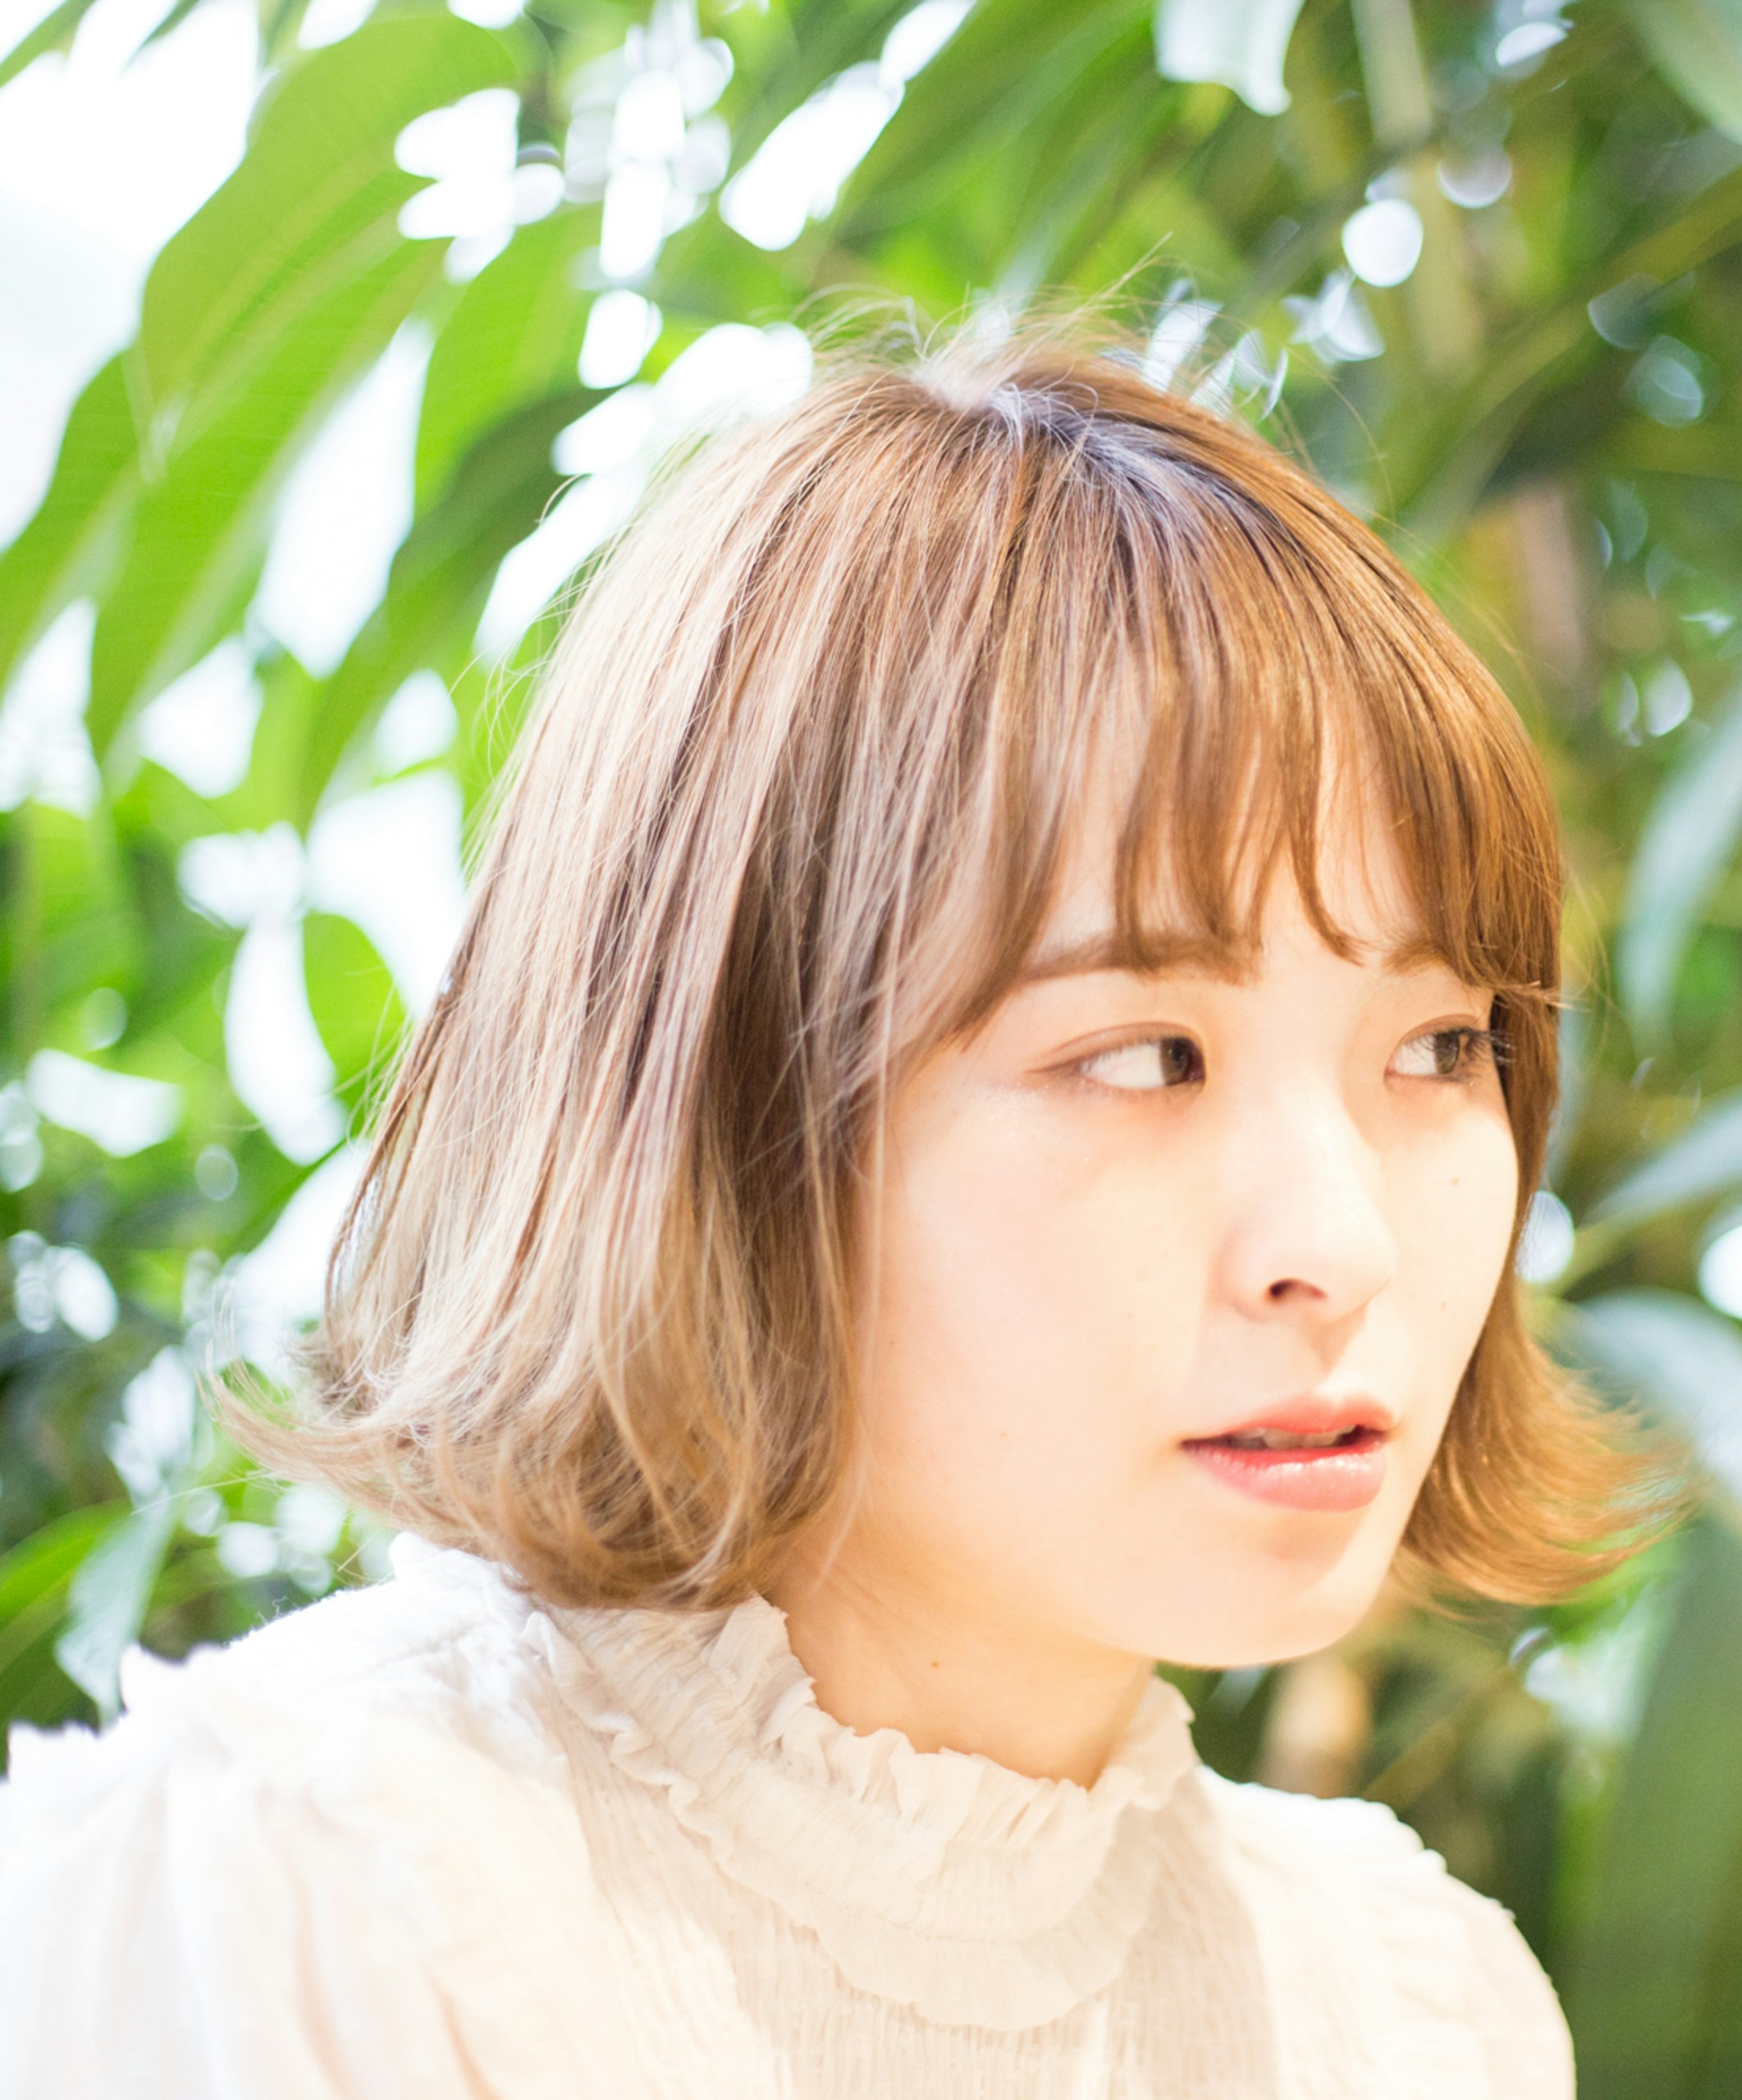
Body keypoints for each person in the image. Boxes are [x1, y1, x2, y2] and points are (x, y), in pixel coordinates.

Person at [0, 329, 1654, 2097]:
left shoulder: (1417, 2008)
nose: (1342, 1241)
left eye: (1436, 1043)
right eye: (1146, 1052)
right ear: (727, 1097)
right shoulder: (314, 1896)